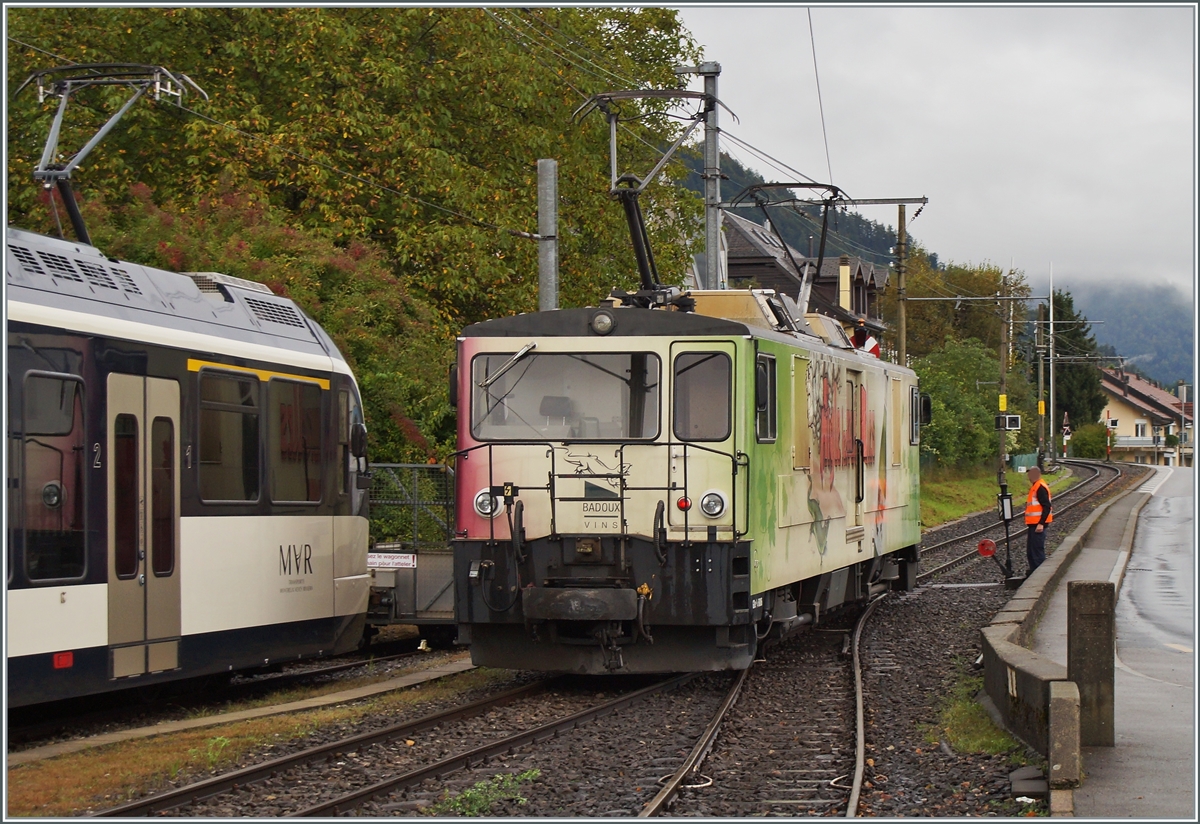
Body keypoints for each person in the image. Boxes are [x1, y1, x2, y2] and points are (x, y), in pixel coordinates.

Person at [1024, 466, 1053, 573]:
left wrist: (1041, 523)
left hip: (1038, 525)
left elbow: (1046, 506)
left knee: (1036, 552)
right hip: (1033, 525)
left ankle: (1040, 574)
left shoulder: (1040, 487)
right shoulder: (1035, 486)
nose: (1029, 476)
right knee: (1031, 552)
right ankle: (1034, 572)